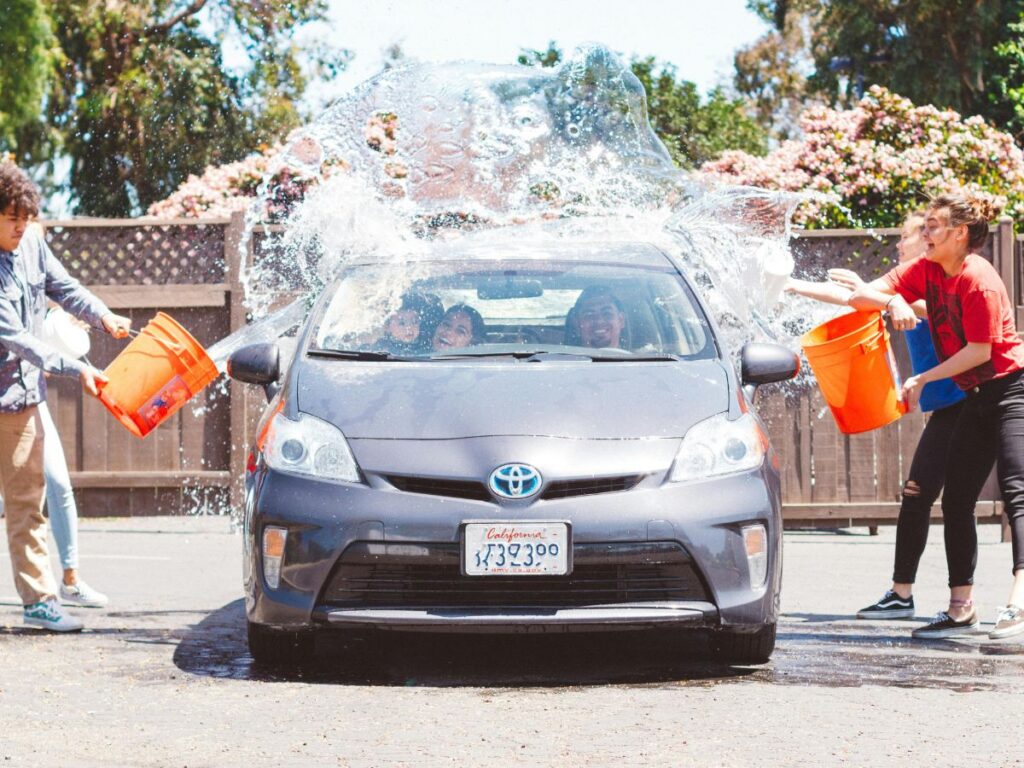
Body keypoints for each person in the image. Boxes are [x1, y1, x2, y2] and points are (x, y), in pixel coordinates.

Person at [850, 191, 1024, 640]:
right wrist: (892, 302)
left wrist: (924, 377)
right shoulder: (926, 270)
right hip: (976, 397)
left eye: (933, 226)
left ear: (960, 233)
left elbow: (980, 351)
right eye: (924, 225)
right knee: (957, 500)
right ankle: (961, 609)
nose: (924, 233)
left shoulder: (978, 278)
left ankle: (1019, 605)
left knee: (1017, 494)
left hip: (1011, 392)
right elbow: (863, 296)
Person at [786, 211, 970, 620]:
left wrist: (886, 297)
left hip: (970, 403)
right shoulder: (904, 286)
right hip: (947, 406)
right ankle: (903, 596)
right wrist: (791, 284)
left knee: (953, 500)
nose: (900, 247)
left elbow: (926, 308)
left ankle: (959, 602)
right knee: (922, 497)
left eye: (905, 240)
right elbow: (853, 298)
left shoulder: (932, 285)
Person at [0, 162, 130, 632]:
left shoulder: (32, 242)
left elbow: (64, 287)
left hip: (18, 402)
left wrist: (102, 315)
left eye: (26, 217)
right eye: (11, 217)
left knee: (27, 503)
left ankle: (39, 601)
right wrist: (78, 369)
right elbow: (17, 338)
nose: (20, 227)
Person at [378, 293, 443, 355]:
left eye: (415, 322)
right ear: (387, 327)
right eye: (402, 323)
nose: (409, 328)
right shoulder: (381, 346)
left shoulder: (426, 342)